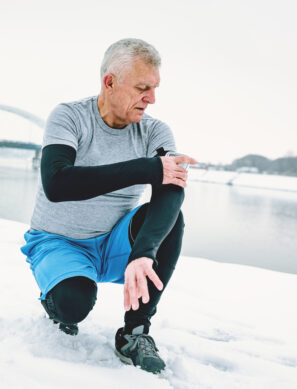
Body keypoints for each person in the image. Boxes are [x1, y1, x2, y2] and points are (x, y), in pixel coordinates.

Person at [20, 38, 197, 374]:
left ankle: (135, 332)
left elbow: (171, 189)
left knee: (172, 218)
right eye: (143, 87)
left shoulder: (155, 131)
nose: (151, 98)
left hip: (115, 242)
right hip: (58, 241)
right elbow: (57, 184)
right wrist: (147, 168)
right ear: (110, 82)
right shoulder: (69, 116)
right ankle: (55, 299)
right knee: (73, 305)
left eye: (155, 88)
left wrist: (144, 251)